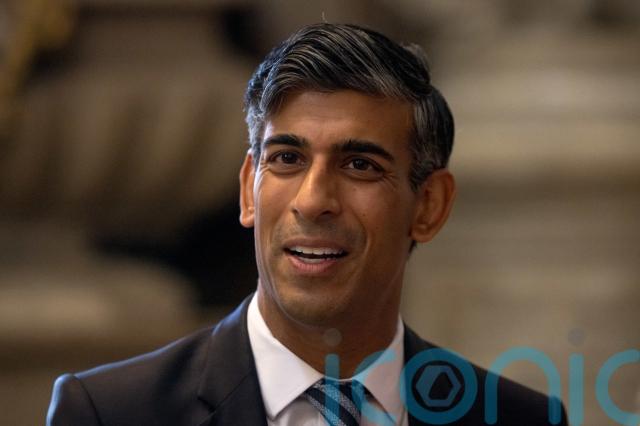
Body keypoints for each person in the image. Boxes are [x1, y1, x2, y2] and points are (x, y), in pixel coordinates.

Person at [47, 23, 567, 426]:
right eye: (287, 159)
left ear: (429, 206)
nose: (313, 201)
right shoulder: (108, 414)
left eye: (360, 165)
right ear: (248, 188)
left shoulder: (519, 419)